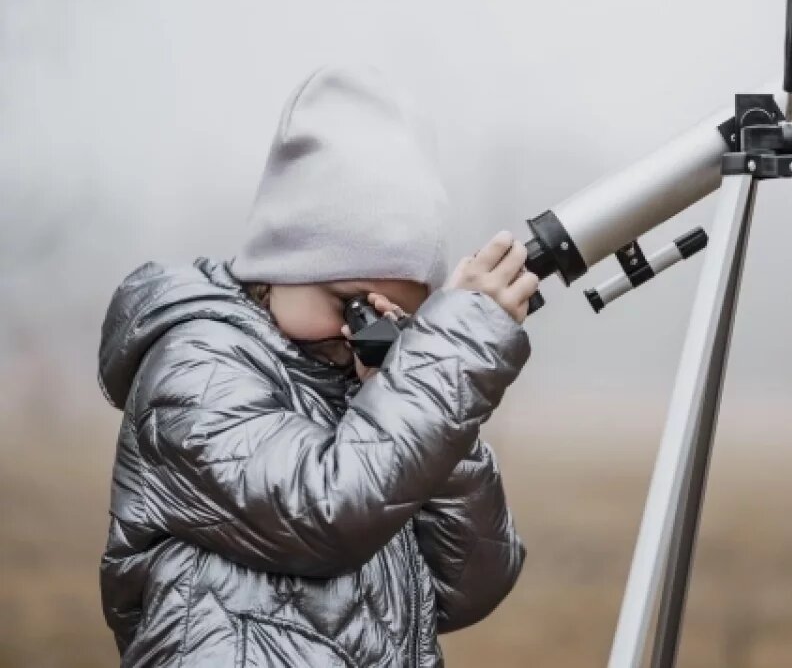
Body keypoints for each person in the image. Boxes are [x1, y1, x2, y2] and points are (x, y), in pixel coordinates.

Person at [97, 65, 538, 667]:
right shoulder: (196, 364)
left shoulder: (383, 391)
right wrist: (443, 362)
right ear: (285, 262)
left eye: (395, 319)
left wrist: (417, 381)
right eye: (352, 306)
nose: (364, 333)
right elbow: (325, 510)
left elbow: (472, 583)